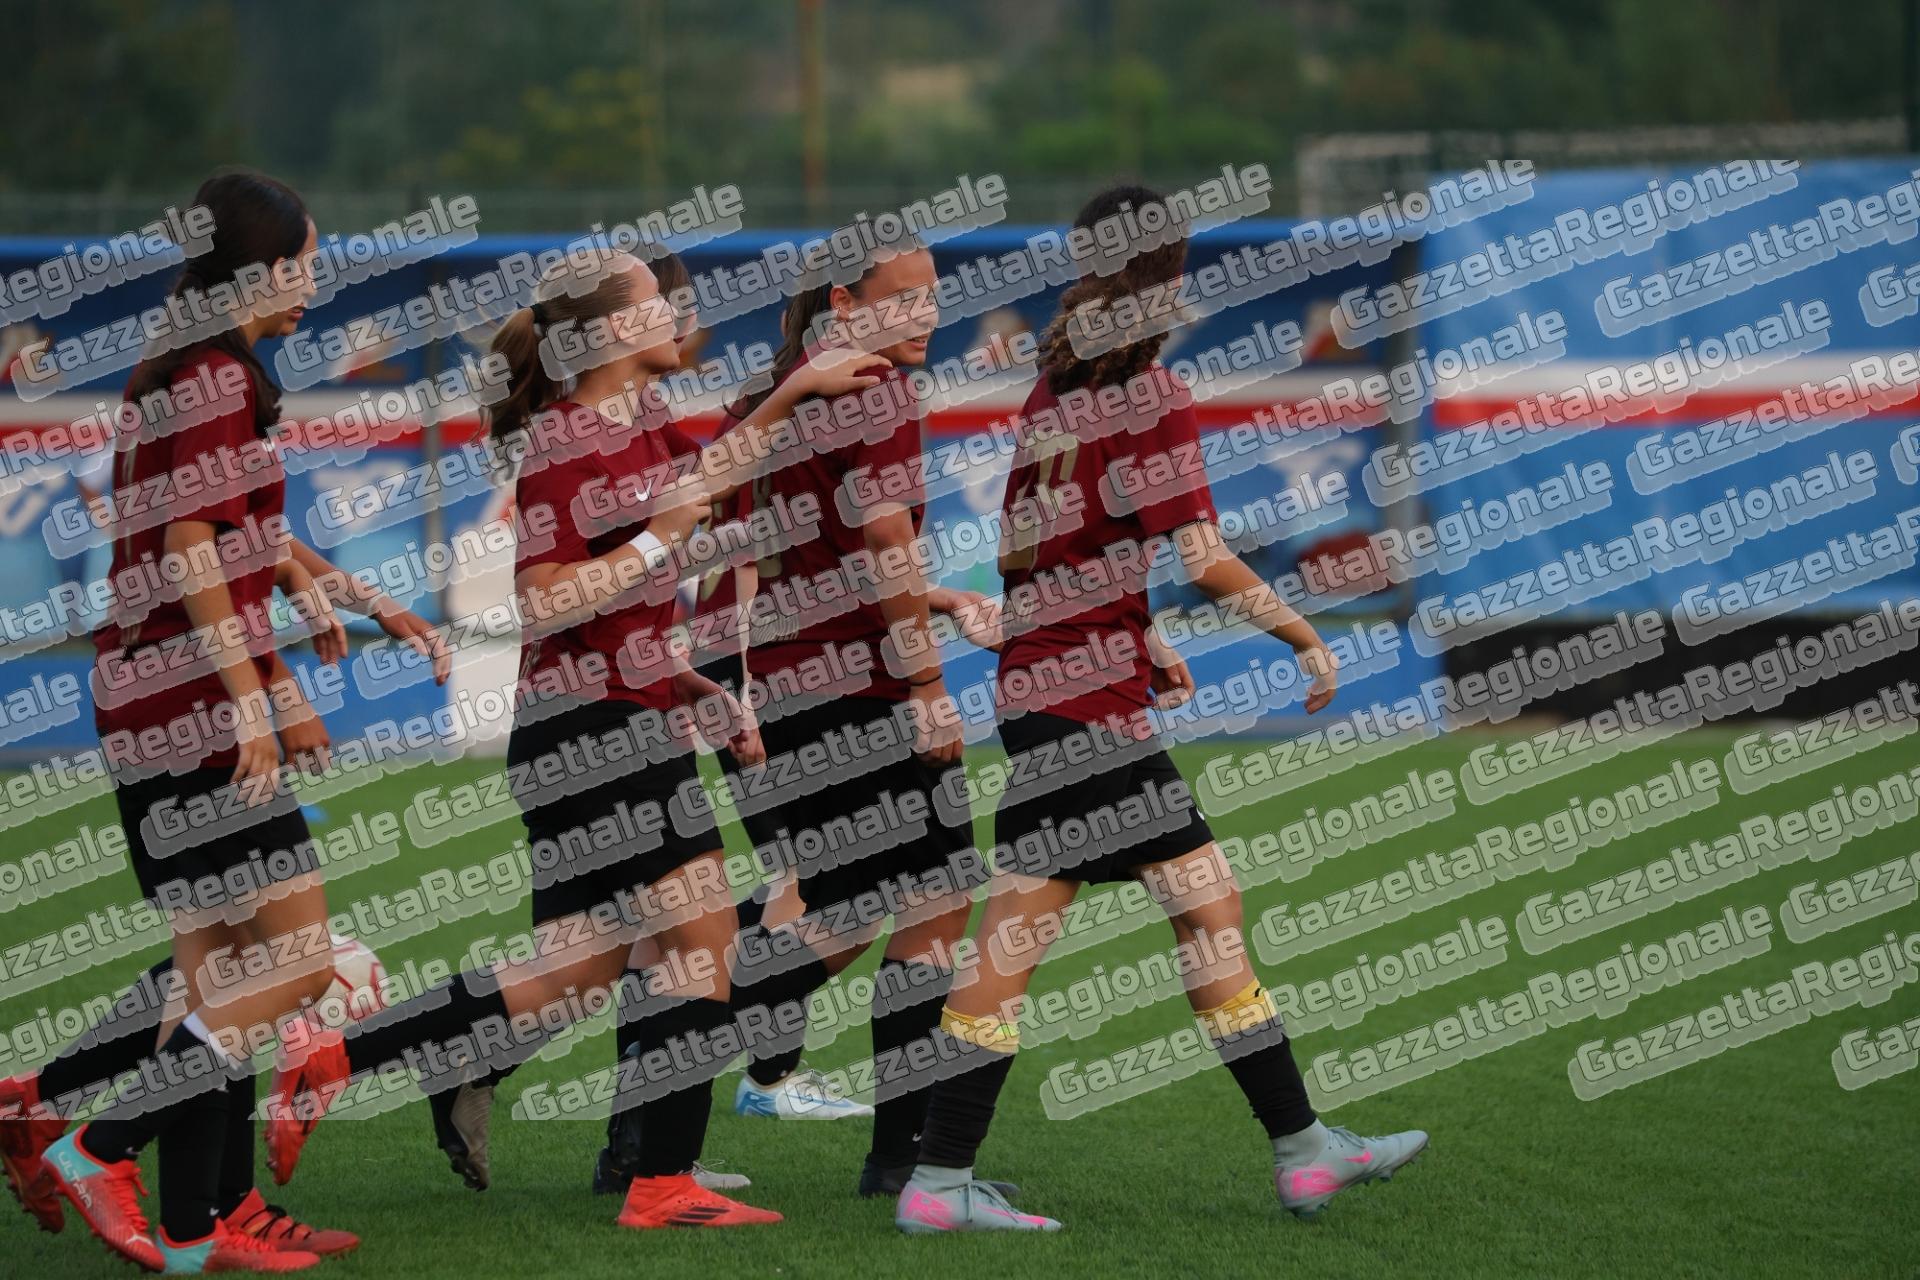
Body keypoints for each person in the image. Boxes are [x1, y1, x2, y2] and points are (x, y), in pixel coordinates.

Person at [262, 245, 888, 1231]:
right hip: (595, 733)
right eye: (655, 302)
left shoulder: (640, 419)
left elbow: (705, 483)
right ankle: (661, 1183)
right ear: (610, 330)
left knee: (574, 973)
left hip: (615, 719)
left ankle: (339, 1052)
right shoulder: (563, 441)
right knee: (705, 944)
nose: (673, 312)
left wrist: (791, 396)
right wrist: (660, 538)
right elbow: (546, 601)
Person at [893, 185, 1429, 1233]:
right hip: (1087, 708)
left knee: (1186, 908)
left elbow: (1030, 559)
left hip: (1048, 690)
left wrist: (1135, 635)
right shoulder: (1148, 391)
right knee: (1069, 932)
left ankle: (1300, 1151)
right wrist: (1304, 634)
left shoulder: (1056, 391)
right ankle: (943, 1180)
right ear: (1172, 272)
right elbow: (1203, 554)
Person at [1, 168, 446, 1274]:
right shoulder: (213, 379)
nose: (314, 280)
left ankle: (203, 1224)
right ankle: (99, 1146)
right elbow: (194, 546)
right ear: (255, 268)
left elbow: (240, 529)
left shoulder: (194, 369)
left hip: (151, 697)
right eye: (302, 260)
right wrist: (257, 702)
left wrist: (352, 593)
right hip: (189, 706)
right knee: (298, 961)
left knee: (216, 979)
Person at [718, 231, 1016, 1200]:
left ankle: (893, 1154)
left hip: (795, 680)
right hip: (863, 686)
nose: (925, 314)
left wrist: (935, 605)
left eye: (932, 295)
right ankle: (893, 1151)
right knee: (932, 901)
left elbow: (814, 551)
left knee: (858, 907)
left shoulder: (786, 390)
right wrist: (927, 686)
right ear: (845, 302)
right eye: (902, 296)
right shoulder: (876, 388)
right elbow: (884, 536)